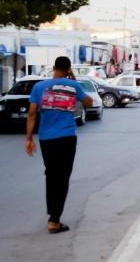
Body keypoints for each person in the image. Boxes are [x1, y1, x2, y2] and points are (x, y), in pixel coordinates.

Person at [24, 56, 92, 234]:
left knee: (51, 175)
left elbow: (32, 114)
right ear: (68, 69)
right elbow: (88, 103)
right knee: (63, 178)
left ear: (54, 67)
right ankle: (54, 220)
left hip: (46, 139)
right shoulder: (73, 85)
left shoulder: (38, 87)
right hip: (66, 137)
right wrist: (75, 82)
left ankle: (52, 213)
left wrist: (29, 139)